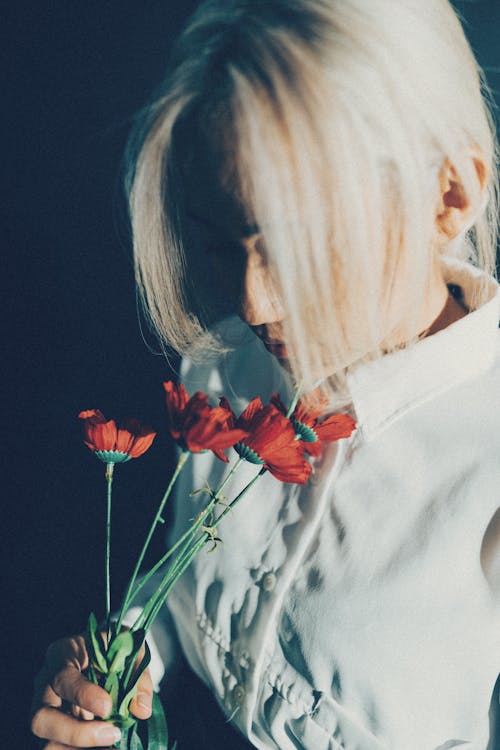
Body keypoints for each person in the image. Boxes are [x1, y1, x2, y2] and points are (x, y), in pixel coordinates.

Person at [31, 1, 500, 748]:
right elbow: (182, 605)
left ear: (450, 196)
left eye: (298, 249)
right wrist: (112, 675)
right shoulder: (224, 366)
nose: (252, 303)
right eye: (223, 242)